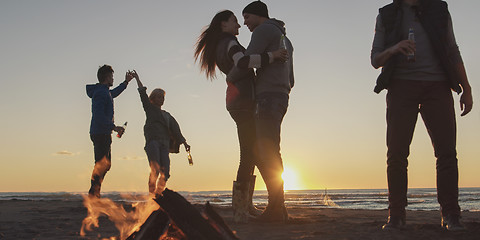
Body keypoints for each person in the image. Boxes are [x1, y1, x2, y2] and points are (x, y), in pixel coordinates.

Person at [370, 0, 473, 231]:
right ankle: (396, 216)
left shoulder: (439, 9)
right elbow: (375, 60)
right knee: (396, 155)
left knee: (446, 154)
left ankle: (451, 215)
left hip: (438, 86)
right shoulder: (386, 14)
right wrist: (394, 49)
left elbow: (452, 49)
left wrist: (466, 88)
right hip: (400, 88)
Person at [194, 10, 287, 223]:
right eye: (235, 21)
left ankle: (246, 206)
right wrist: (272, 56)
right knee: (249, 154)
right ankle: (243, 209)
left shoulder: (221, 44)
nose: (239, 25)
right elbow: (244, 63)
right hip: (243, 102)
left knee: (251, 153)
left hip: (237, 102)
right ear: (223, 25)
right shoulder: (229, 42)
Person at [242, 0, 294, 222]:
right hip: (281, 95)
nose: (245, 23)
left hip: (268, 96)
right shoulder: (285, 37)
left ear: (258, 15)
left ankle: (275, 209)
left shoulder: (263, 30)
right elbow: (291, 76)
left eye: (247, 17)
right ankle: (278, 209)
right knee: (270, 147)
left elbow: (246, 60)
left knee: (267, 150)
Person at [130, 70, 190, 195]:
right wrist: (137, 78)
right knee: (155, 170)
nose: (161, 99)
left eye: (163, 97)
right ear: (153, 98)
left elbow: (176, 130)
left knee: (166, 172)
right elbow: (142, 94)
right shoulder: (150, 109)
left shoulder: (167, 115)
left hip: (165, 145)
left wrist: (185, 143)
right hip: (153, 143)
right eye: (158, 96)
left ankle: (158, 194)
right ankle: (152, 196)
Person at [86, 64, 133, 198]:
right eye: (112, 76)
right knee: (101, 164)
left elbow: (114, 93)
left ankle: (95, 191)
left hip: (103, 132)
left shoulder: (105, 91)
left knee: (106, 164)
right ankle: (93, 194)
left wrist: (126, 82)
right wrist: (114, 127)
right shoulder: (101, 93)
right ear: (107, 77)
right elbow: (98, 115)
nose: (113, 78)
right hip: (100, 132)